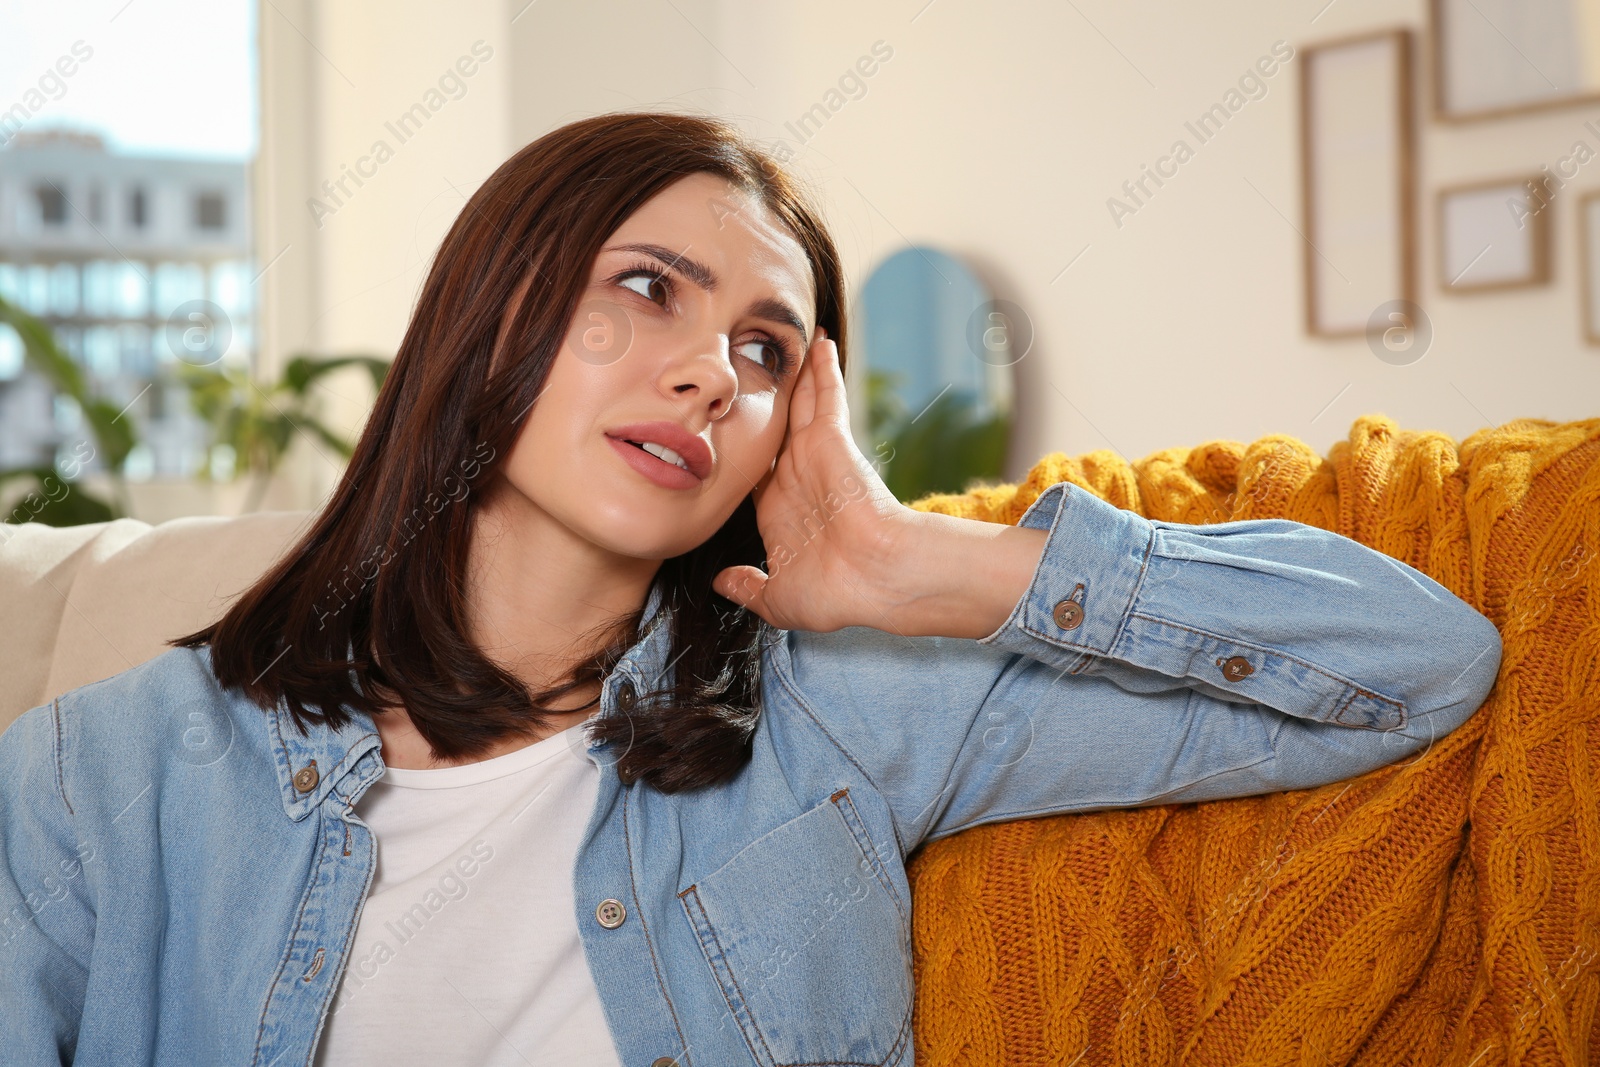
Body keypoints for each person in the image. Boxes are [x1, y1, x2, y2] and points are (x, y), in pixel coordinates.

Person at [0, 111, 1503, 1067]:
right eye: (649, 288)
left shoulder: (837, 712)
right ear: (492, 305)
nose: (709, 370)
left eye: (768, 350)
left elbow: (1418, 662)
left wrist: (929, 562)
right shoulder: (99, 780)